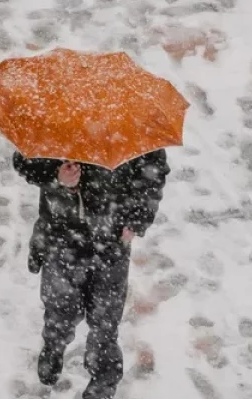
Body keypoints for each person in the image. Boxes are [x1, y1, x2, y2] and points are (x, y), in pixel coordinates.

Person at [13, 149, 170, 399]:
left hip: (112, 239)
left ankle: (104, 379)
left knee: (105, 320)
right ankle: (54, 345)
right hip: (62, 235)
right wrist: (56, 176)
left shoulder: (132, 121)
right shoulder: (54, 114)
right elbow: (23, 161)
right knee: (60, 307)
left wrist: (138, 217)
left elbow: (153, 171)